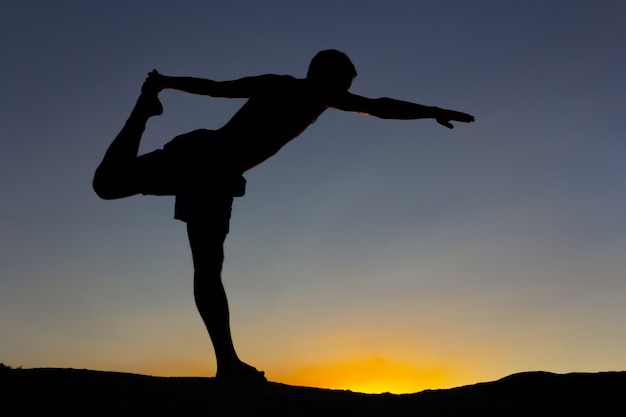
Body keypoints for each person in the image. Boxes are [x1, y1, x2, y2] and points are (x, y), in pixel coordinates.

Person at [93, 49, 475, 383]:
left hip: (201, 147)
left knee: (107, 185)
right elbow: (379, 106)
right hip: (214, 165)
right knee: (207, 268)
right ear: (326, 74)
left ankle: (142, 114)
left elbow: (215, 87)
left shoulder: (274, 83)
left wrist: (165, 83)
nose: (343, 92)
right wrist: (431, 111)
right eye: (343, 83)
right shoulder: (315, 93)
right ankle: (228, 364)